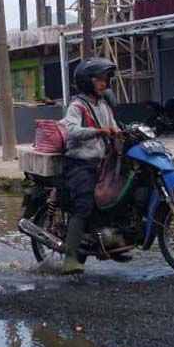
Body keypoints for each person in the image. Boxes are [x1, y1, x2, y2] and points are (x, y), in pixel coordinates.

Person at [59, 58, 121, 275]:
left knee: (115, 199)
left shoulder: (104, 105)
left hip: (101, 163)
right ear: (87, 82)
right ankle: (70, 258)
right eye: (99, 79)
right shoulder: (77, 106)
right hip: (80, 164)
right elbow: (72, 131)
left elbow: (114, 128)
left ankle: (112, 244)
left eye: (106, 79)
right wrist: (98, 131)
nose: (104, 83)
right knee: (84, 204)